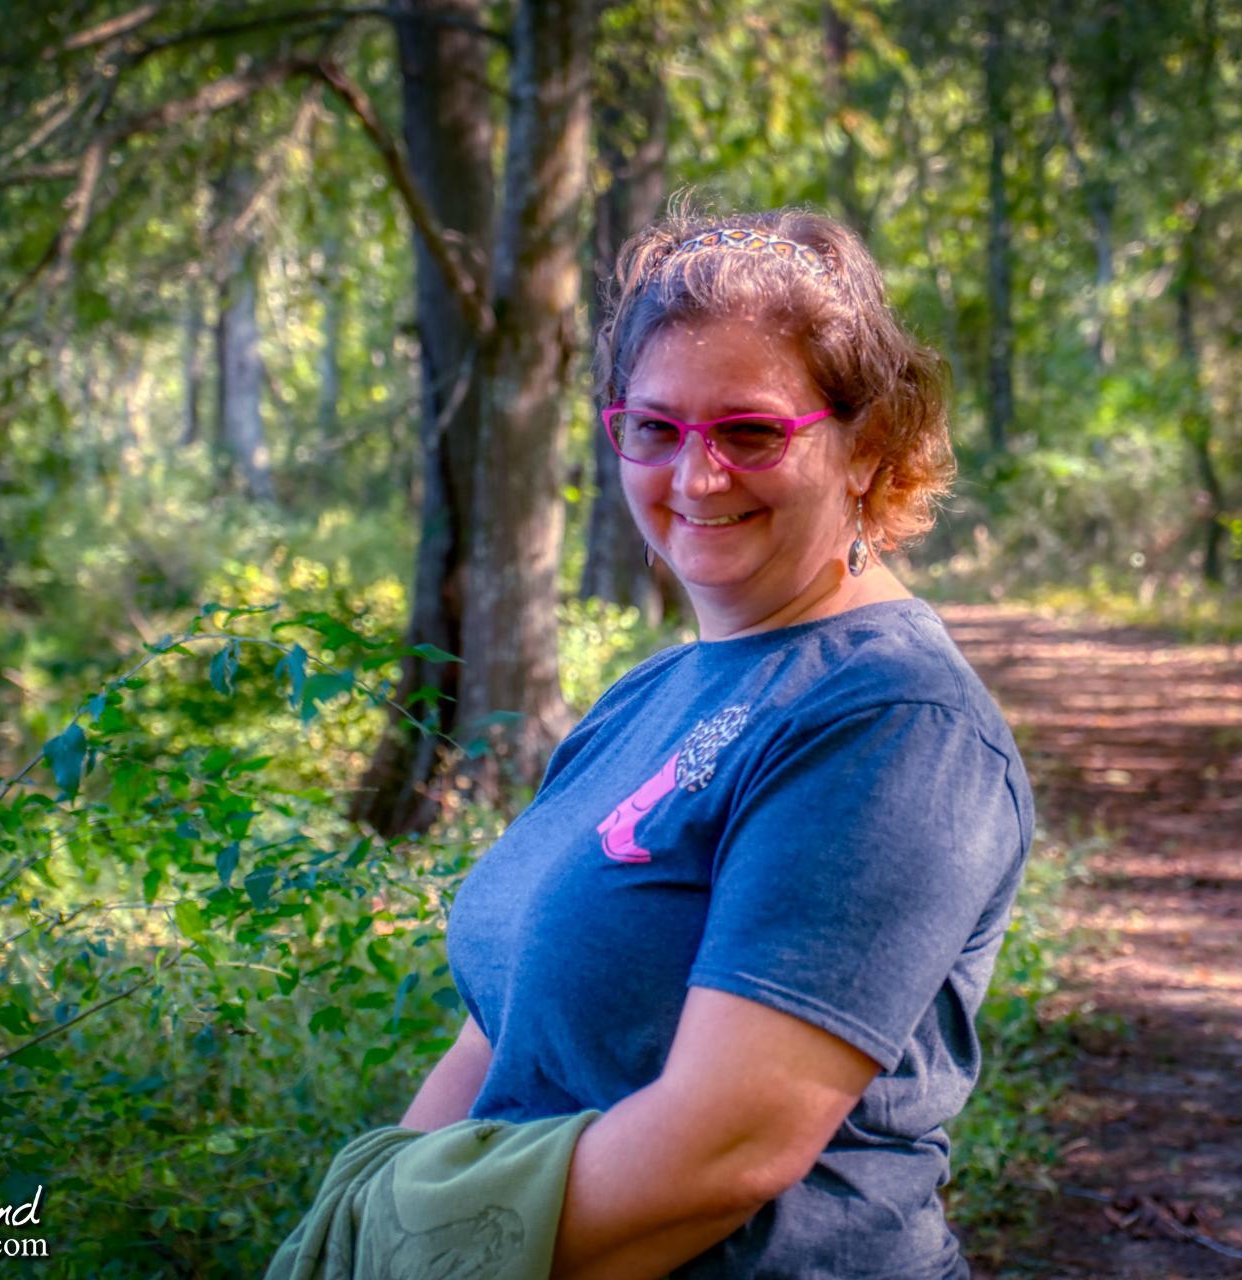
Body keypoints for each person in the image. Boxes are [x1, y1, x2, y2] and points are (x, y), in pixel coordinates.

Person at [409, 208, 1035, 1280]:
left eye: (750, 432)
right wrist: (374, 1197)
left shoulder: (892, 721)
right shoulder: (647, 694)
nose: (696, 478)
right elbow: (501, 1039)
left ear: (867, 448)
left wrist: (421, 1244)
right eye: (655, 428)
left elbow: (724, 1147)